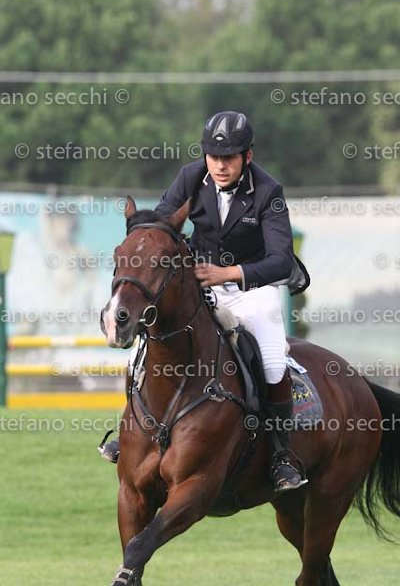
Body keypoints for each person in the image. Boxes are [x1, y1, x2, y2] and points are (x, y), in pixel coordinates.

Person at [101, 111, 308, 493]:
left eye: (229, 157)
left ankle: (281, 455)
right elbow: (162, 224)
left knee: (272, 358)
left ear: (247, 156)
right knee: (140, 352)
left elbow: (281, 260)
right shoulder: (190, 177)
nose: (220, 165)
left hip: (251, 289)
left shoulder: (268, 192)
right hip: (201, 285)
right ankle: (130, 435)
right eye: (214, 156)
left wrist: (228, 273)